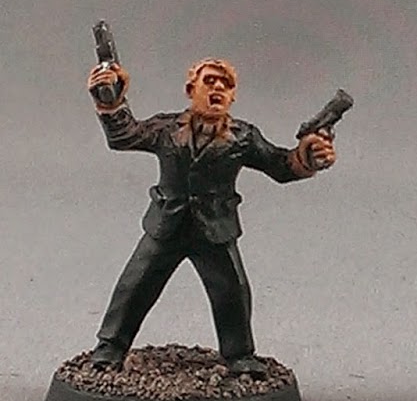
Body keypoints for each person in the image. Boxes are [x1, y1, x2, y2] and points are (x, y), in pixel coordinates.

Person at [86, 55, 336, 375]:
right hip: (167, 224)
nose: (218, 88)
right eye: (210, 81)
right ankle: (110, 347)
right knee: (134, 285)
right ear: (191, 90)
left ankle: (240, 355)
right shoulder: (165, 129)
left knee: (232, 292)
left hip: (215, 228)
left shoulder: (243, 137)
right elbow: (124, 136)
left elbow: (280, 166)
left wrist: (308, 157)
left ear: (233, 96)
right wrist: (110, 101)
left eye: (226, 84)